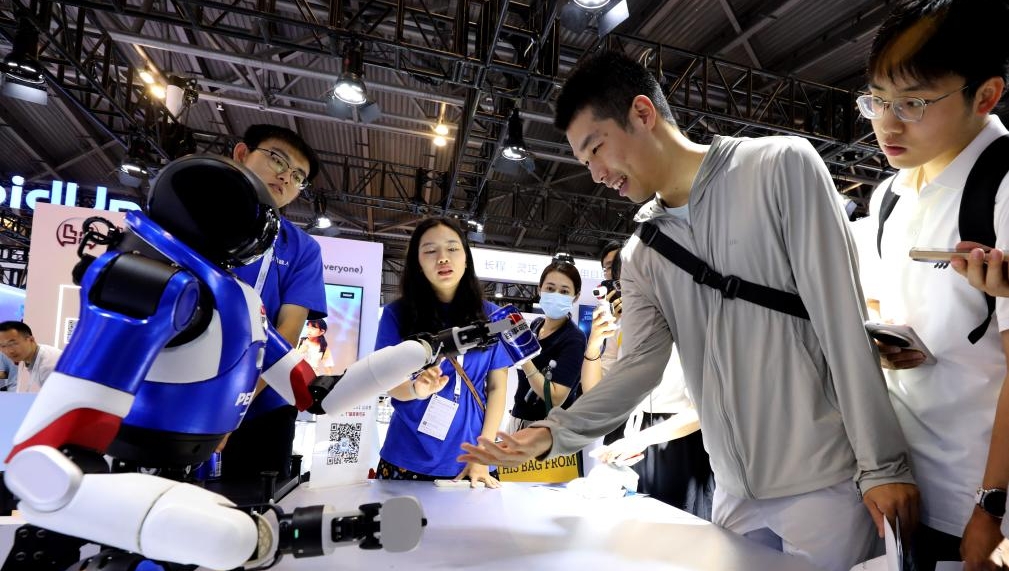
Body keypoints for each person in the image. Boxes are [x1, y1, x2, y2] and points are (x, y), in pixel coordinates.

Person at [460, 49, 919, 571]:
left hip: (825, 483)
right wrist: (552, 433)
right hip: (732, 491)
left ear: (642, 113)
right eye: (586, 163)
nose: (596, 174)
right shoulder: (642, 253)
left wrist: (884, 466)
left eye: (596, 149)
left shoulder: (779, 167)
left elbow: (842, 321)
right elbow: (637, 369)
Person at [855, 2, 1009, 569]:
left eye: (914, 103)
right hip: (906, 491)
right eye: (877, 100)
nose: (887, 124)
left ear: (985, 96)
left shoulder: (1002, 187)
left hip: (980, 504)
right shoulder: (889, 196)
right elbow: (884, 308)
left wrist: (991, 509)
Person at [219, 124, 327, 483]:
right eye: (277, 160)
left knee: (253, 508)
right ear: (241, 154)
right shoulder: (198, 214)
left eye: (298, 176)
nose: (285, 177)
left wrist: (232, 408)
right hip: (182, 386)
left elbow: (287, 334)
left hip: (263, 406)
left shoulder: (302, 248)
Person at [375, 217, 511, 488]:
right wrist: (416, 389)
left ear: (466, 258)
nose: (442, 258)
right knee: (398, 518)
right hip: (406, 458)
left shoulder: (494, 318)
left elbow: (497, 388)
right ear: (417, 263)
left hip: (473, 462)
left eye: (452, 248)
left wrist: (483, 453)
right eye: (430, 250)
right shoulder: (397, 315)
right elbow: (389, 383)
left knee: (475, 518)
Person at [585, 243, 714, 519]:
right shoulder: (623, 326)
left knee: (675, 533)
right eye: (624, 283)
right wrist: (594, 343)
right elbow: (594, 393)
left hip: (675, 443)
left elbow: (703, 410)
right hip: (626, 437)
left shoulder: (693, 324)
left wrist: (641, 440)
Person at [507, 261, 587, 432]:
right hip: (518, 417)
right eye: (550, 288)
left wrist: (523, 357)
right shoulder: (536, 325)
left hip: (548, 428)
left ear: (576, 296)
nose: (556, 295)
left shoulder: (574, 339)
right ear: (540, 289)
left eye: (564, 291)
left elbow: (556, 398)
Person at [0, 321, 61, 393]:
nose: (9, 351)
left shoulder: (49, 366)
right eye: (3, 346)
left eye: (13, 344)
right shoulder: (27, 356)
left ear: (31, 340)